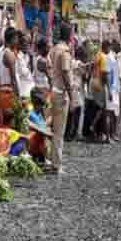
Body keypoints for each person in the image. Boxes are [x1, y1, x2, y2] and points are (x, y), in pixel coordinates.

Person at [48, 22, 74, 174]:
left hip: (53, 90)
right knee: (59, 131)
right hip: (60, 94)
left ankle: (51, 160)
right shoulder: (64, 52)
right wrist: (72, 95)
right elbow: (65, 72)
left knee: (52, 129)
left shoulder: (54, 49)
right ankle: (56, 164)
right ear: (69, 36)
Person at [0, 28, 21, 126]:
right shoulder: (9, 54)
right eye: (17, 38)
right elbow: (13, 78)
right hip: (8, 91)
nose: (18, 41)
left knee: (4, 124)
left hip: (2, 90)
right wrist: (18, 96)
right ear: (13, 39)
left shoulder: (0, 52)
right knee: (10, 123)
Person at [90, 41, 110, 143]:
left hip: (93, 83)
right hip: (99, 84)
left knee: (99, 108)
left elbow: (91, 67)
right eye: (109, 48)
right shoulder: (103, 57)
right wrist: (109, 90)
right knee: (104, 109)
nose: (109, 50)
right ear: (106, 47)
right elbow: (104, 74)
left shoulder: (97, 55)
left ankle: (99, 133)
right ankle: (94, 126)